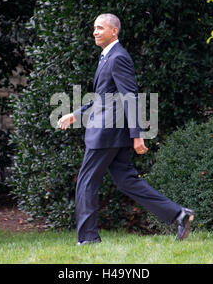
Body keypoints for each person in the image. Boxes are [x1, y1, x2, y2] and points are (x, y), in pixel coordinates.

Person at [58, 13, 194, 245]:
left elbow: (130, 97)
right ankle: (179, 215)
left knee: (86, 182)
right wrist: (76, 115)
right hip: (111, 132)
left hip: (106, 133)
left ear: (114, 31)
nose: (95, 32)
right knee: (126, 181)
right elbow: (103, 97)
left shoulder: (118, 57)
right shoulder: (107, 57)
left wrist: (137, 136)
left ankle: (88, 239)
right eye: (94, 28)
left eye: (100, 28)